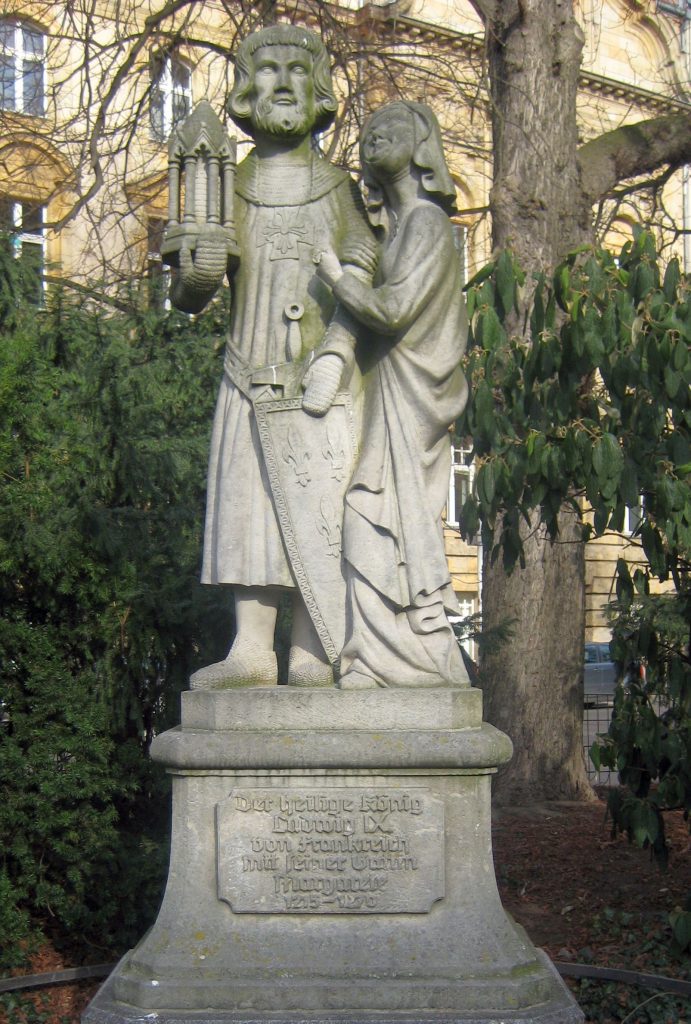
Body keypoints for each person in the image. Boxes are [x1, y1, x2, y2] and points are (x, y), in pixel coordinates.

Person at [171, 25, 376, 689]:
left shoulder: (337, 187)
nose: (283, 83)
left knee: (320, 517)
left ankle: (315, 650)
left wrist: (339, 350)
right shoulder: (228, 184)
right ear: (244, 93)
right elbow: (192, 290)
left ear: (319, 92)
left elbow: (362, 268)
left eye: (297, 69)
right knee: (248, 511)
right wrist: (198, 271)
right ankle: (253, 649)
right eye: (267, 70)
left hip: (324, 384)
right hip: (248, 370)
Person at [313, 101, 470, 688]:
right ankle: (382, 656)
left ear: (422, 142)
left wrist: (335, 277)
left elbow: (395, 308)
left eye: (392, 129)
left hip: (412, 395)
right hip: (388, 389)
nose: (374, 136)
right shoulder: (400, 228)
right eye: (369, 131)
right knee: (378, 518)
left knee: (371, 515)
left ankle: (403, 658)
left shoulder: (428, 223)